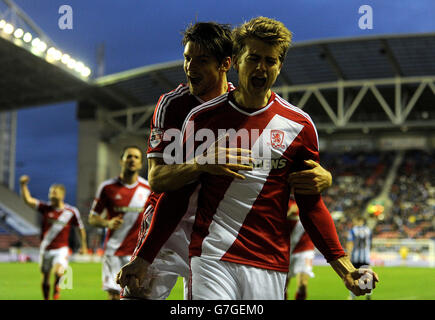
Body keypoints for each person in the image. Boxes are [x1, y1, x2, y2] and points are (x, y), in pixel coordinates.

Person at [118, 21, 333, 300]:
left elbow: (275, 163)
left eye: (202, 60)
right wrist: (200, 163)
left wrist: (325, 177)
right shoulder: (174, 105)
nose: (190, 67)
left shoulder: (245, 106)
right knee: (137, 294)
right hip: (169, 225)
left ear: (226, 64)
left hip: (218, 233)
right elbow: (158, 179)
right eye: (187, 58)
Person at [88, 145, 150, 300]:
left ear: (141, 164)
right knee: (114, 295)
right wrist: (107, 224)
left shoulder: (148, 188)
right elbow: (92, 218)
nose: (132, 160)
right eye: (128, 156)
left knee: (137, 294)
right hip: (113, 251)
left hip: (138, 252)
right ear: (121, 161)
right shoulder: (107, 188)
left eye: (136, 157)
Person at [19, 175, 87, 300]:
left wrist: (83, 246)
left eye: (54, 192)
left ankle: (56, 290)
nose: (51, 194)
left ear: (62, 195)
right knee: (45, 278)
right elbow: (28, 200)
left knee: (58, 271)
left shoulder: (71, 212)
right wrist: (23, 186)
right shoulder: (45, 208)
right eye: (50, 192)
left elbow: (80, 228)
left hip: (61, 249)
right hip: (45, 248)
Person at [285, 195, 315, 300]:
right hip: (286, 249)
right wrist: (289, 213)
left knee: (303, 284)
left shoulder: (312, 202)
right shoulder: (286, 201)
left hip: (305, 249)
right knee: (283, 287)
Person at [346, 215, 373, 300]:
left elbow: (350, 243)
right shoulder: (368, 230)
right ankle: (368, 293)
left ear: (358, 220)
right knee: (366, 275)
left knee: (354, 276)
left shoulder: (353, 230)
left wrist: (348, 255)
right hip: (365, 257)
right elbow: (370, 243)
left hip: (355, 257)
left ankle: (352, 296)